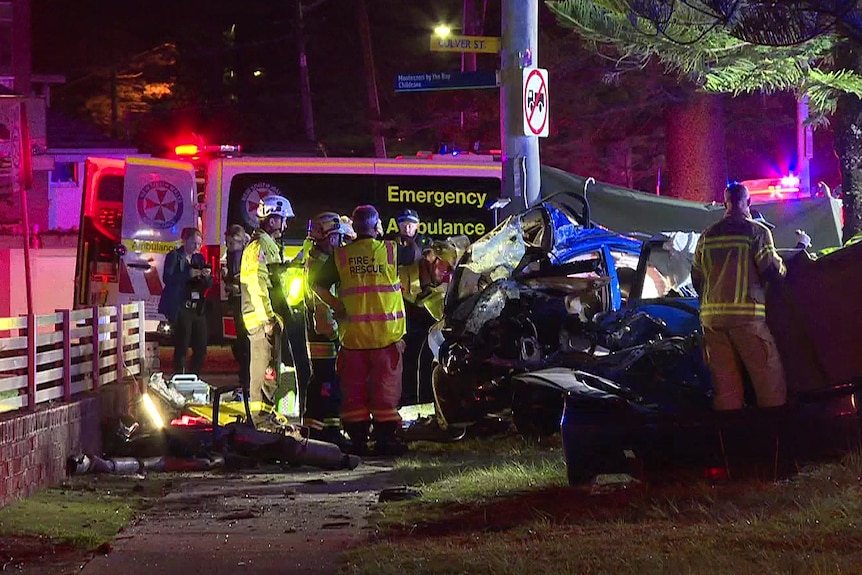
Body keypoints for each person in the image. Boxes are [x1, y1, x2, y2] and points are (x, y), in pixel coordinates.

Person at [313, 205, 420, 456]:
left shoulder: (341, 256)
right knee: (386, 390)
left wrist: (337, 306)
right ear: (376, 227)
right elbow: (415, 253)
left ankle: (358, 440)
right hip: (386, 336)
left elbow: (316, 284)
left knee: (354, 392)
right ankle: (385, 439)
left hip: (353, 338)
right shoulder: (391, 251)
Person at [691, 182, 788, 411]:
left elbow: (696, 277)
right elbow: (772, 271)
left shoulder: (708, 235)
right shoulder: (756, 232)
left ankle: (728, 440)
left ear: (725, 203)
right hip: (746, 320)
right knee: (769, 381)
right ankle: (774, 439)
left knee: (726, 390)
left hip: (711, 323)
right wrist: (784, 267)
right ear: (749, 203)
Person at [240, 195, 294, 414]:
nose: (286, 224)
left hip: (268, 318)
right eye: (283, 219)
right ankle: (260, 419)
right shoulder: (259, 245)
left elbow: (270, 279)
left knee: (270, 370)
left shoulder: (267, 244)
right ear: (272, 220)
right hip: (263, 319)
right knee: (265, 372)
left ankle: (265, 416)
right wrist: (268, 318)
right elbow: (257, 282)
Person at [302, 212, 351, 449]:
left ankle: (319, 427)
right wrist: (334, 333)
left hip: (319, 330)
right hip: (324, 332)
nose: (339, 243)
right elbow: (322, 305)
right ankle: (328, 431)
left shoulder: (316, 259)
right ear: (328, 238)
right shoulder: (322, 263)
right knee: (328, 380)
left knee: (324, 379)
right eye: (337, 238)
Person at [390, 208, 433, 406]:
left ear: (418, 225)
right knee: (402, 357)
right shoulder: (391, 244)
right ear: (398, 225)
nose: (407, 227)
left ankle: (422, 397)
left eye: (411, 223)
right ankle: (405, 398)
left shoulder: (426, 243)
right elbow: (404, 258)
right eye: (404, 223)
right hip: (399, 306)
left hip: (422, 307)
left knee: (423, 357)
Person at [159, 227, 213, 376]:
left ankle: (194, 376)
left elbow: (208, 284)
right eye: (193, 243)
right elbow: (168, 278)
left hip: (197, 308)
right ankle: (180, 376)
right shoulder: (175, 256)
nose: (196, 247)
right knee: (182, 345)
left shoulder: (199, 259)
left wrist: (207, 277)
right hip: (182, 306)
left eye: (199, 244)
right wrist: (187, 274)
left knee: (201, 347)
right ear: (185, 240)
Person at [223, 224, 251, 391]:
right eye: (227, 243)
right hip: (236, 301)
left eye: (231, 243)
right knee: (238, 342)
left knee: (246, 343)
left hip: (246, 303)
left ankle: (247, 381)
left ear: (241, 242)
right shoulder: (232, 255)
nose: (228, 247)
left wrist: (238, 288)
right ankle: (243, 379)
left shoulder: (247, 255)